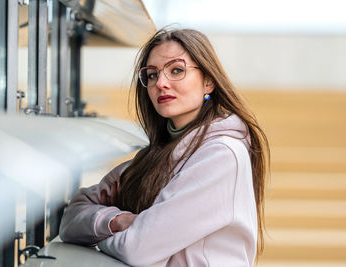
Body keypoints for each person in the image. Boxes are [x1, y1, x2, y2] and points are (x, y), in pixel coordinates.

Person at [59, 28, 270, 267]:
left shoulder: (222, 154)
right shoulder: (152, 157)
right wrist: (117, 221)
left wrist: (101, 241)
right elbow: (71, 220)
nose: (160, 83)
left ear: (208, 82)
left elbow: (136, 248)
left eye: (176, 70)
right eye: (151, 75)